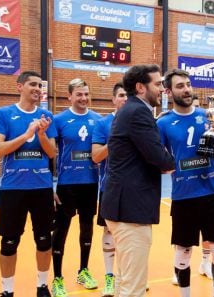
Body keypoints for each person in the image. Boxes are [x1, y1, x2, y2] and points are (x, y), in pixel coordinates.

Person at [101, 64, 175, 297]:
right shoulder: (138, 112)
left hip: (122, 206)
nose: (162, 89)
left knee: (126, 282)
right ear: (140, 87)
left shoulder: (131, 110)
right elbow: (158, 157)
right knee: (133, 288)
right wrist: (169, 162)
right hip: (130, 211)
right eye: (157, 84)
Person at [157, 69, 214, 297]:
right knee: (183, 251)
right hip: (183, 195)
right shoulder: (163, 123)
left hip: (211, 192)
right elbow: (161, 161)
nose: (187, 89)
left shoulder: (207, 116)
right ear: (168, 91)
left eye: (188, 84)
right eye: (180, 86)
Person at [0, 71, 57, 297]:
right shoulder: (4, 114)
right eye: (32, 84)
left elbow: (52, 153)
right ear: (19, 87)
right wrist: (27, 133)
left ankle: (42, 286)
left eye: (40, 85)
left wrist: (40, 135)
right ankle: (7, 291)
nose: (37, 88)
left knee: (44, 239)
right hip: (13, 189)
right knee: (9, 243)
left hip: (41, 188)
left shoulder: (47, 115)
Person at [51, 78, 102, 297]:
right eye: (79, 94)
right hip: (66, 184)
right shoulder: (59, 120)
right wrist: (49, 185)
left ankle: (83, 270)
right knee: (61, 231)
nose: (83, 98)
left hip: (90, 183)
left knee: (87, 228)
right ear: (69, 96)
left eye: (86, 94)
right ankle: (57, 278)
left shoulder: (98, 120)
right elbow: (49, 154)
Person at [91, 82, 127, 296]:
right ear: (113, 99)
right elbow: (96, 157)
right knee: (109, 232)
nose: (125, 99)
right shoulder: (103, 124)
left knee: (131, 234)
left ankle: (126, 277)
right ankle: (109, 278)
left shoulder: (141, 123)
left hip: (134, 190)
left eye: (128, 95)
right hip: (110, 187)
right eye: (121, 95)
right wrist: (116, 138)